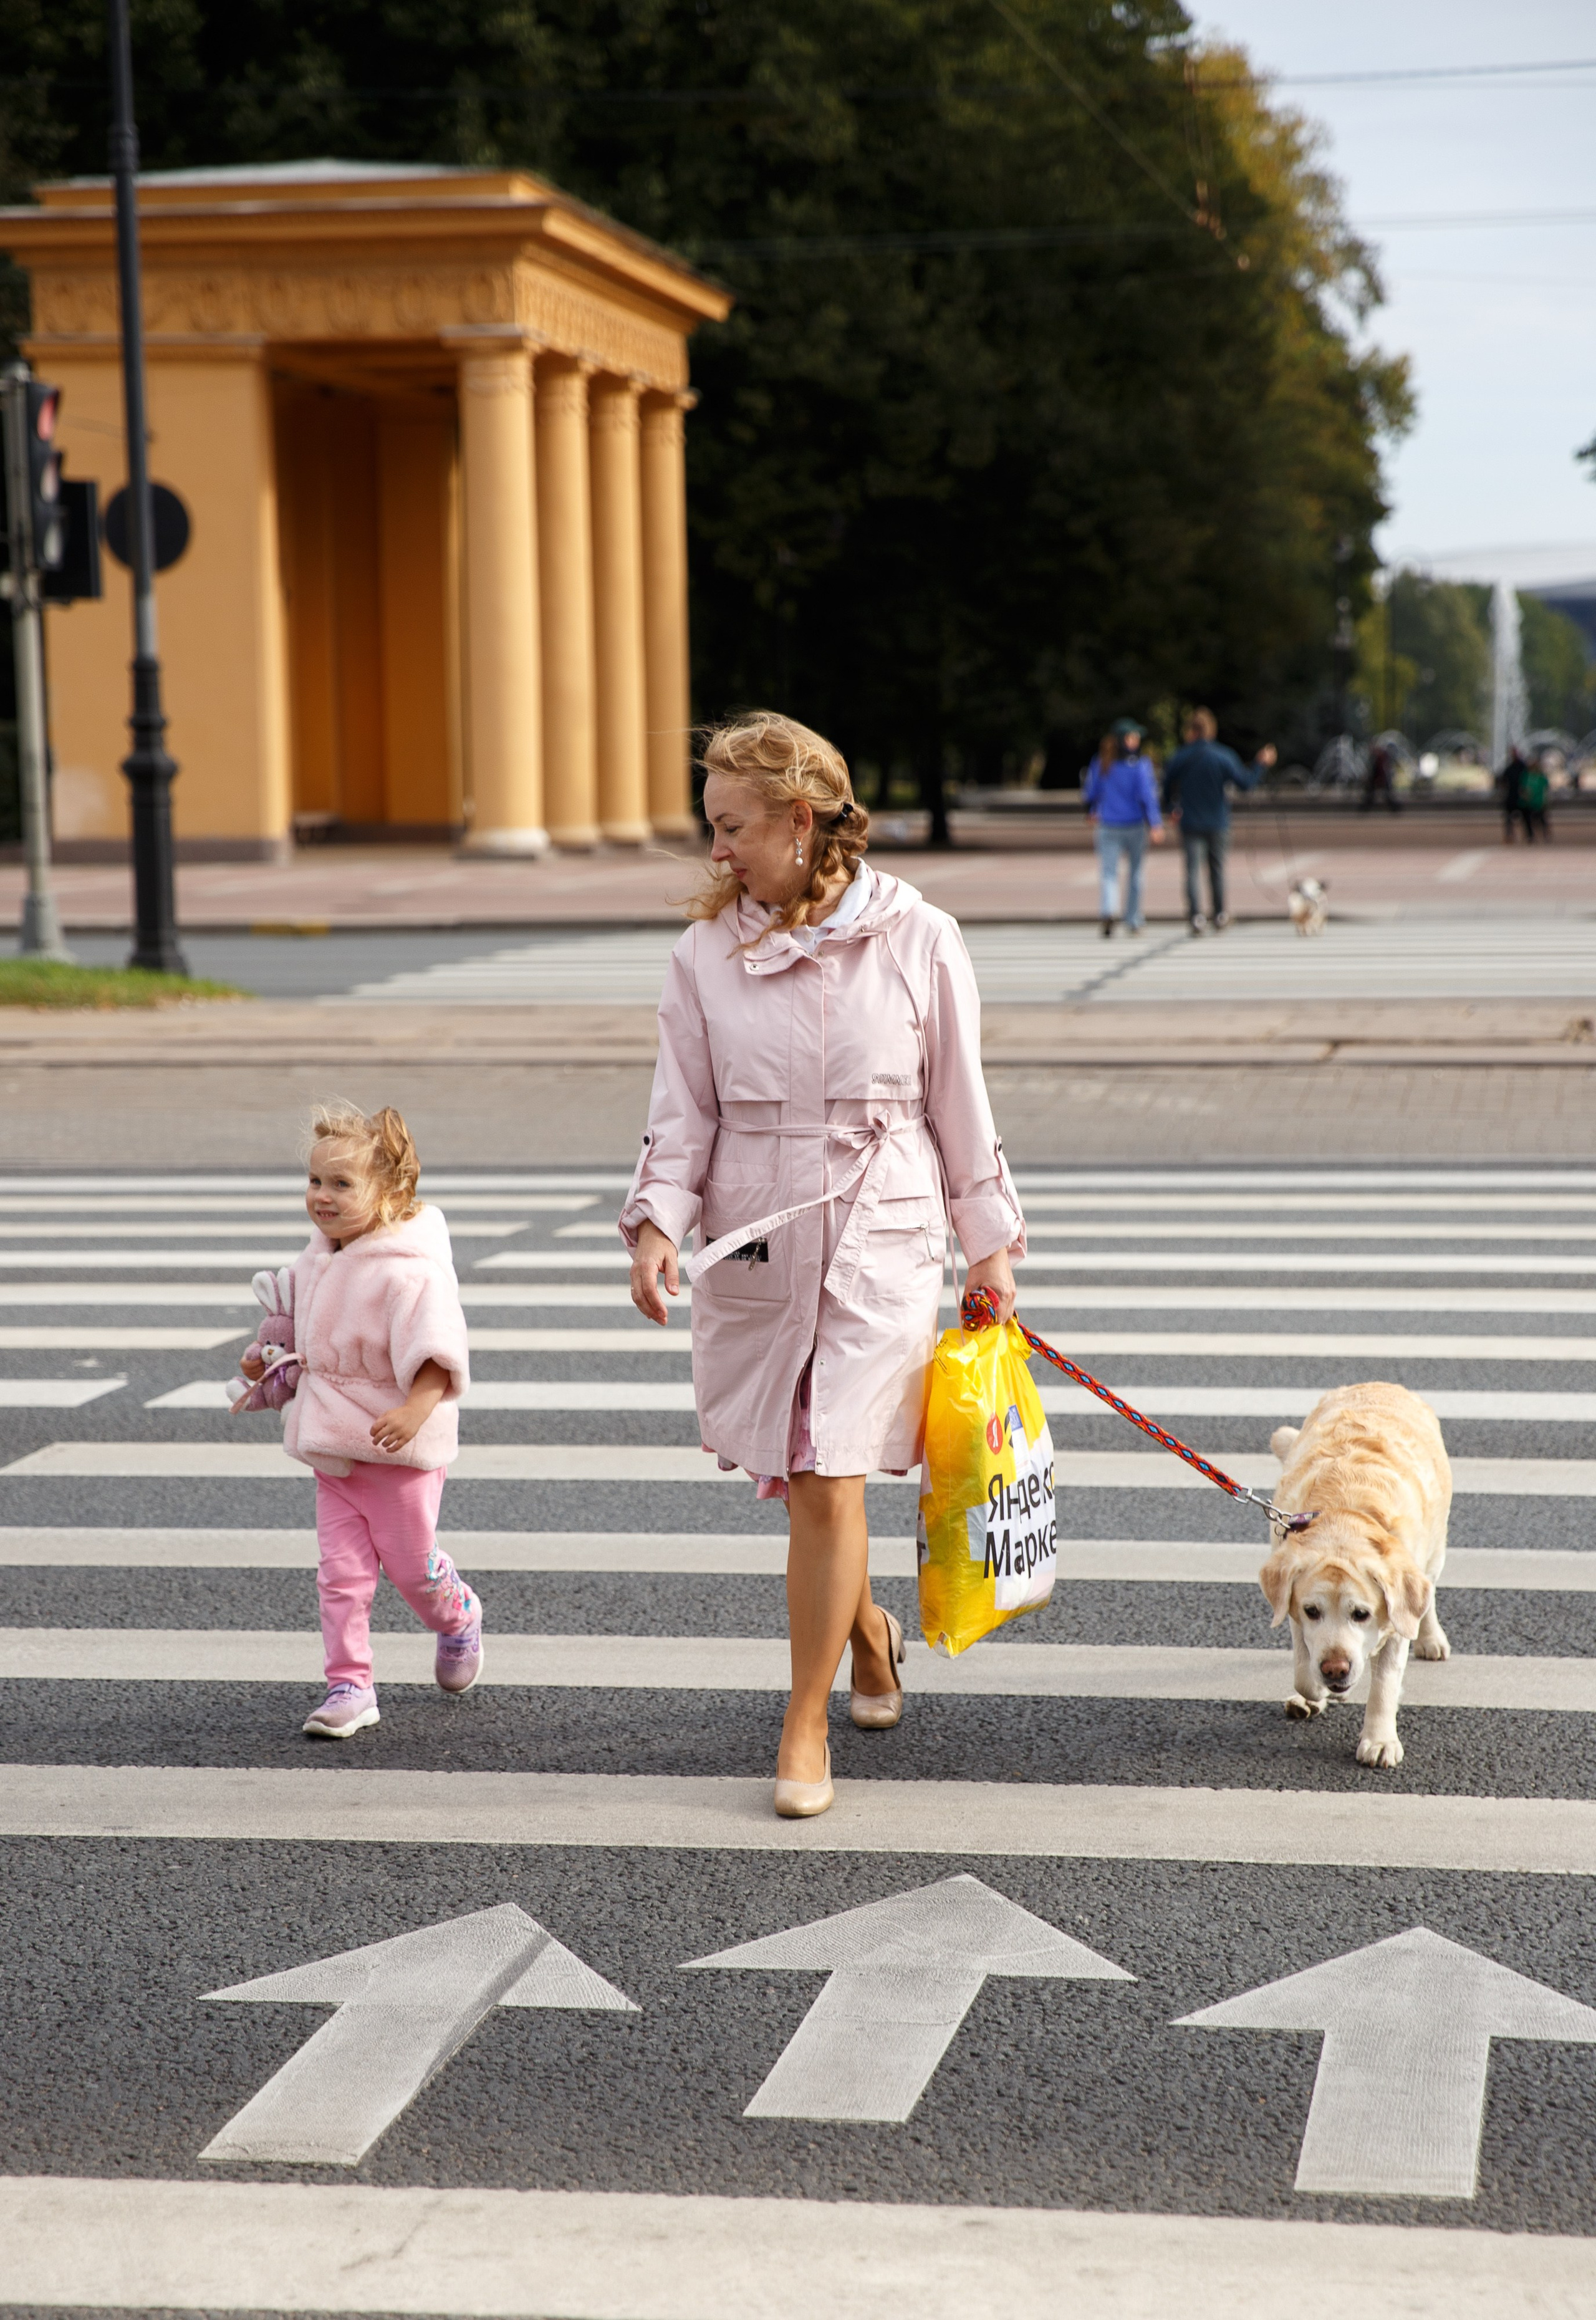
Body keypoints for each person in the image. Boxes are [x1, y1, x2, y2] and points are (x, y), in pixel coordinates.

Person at [622, 711, 1026, 1821]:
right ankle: (871, 1635)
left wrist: (989, 1249)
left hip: (882, 1236)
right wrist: (658, 1224)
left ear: (800, 822)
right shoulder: (703, 956)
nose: (717, 851)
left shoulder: (919, 937)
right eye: (712, 827)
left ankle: (803, 1721)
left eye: (732, 826)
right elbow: (683, 1112)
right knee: (804, 1473)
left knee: (829, 1476)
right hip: (758, 1236)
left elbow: (960, 1104)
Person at [234, 1101, 480, 1739]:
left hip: (396, 1450)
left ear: (389, 1193)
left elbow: (437, 1350)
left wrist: (415, 1409)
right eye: (316, 1180)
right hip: (333, 1445)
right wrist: (267, 1361)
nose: (322, 1195)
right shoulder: (317, 1257)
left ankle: (458, 1615)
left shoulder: (409, 1271)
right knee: (340, 1576)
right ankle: (350, 1684)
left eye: (342, 1184)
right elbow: (299, 1334)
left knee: (413, 1571)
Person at [1160, 710, 1269, 935]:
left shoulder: (1181, 756)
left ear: (1191, 731)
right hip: (1218, 821)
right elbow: (1246, 784)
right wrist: (1261, 764)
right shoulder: (1223, 755)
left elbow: (1166, 785)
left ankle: (1196, 917)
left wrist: (1171, 808)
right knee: (1217, 870)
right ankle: (1219, 914)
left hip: (1190, 821)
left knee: (1192, 871)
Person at [1083, 716, 1164, 936]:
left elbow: (1091, 792)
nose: (1136, 740)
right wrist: (1155, 824)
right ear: (1122, 739)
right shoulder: (1140, 764)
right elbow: (1148, 796)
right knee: (1136, 873)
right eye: (1132, 737)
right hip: (1134, 825)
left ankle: (1109, 910)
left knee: (1109, 872)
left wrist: (1091, 811)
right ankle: (1134, 919)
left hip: (1108, 825)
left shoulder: (1102, 762)